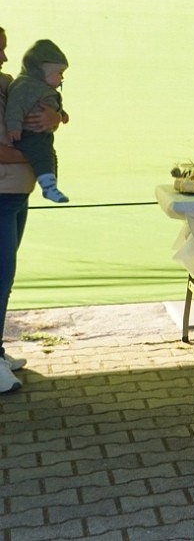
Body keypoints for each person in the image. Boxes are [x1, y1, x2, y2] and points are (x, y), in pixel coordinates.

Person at [0, 27, 59, 394]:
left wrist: (54, 118)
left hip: (15, 194)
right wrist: (38, 157)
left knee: (4, 281)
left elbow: (40, 105)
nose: (6, 57)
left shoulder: (7, 83)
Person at [3, 40, 70, 203]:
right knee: (43, 156)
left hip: (41, 138)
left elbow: (51, 107)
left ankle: (50, 185)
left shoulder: (43, 89)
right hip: (30, 135)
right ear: (41, 71)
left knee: (50, 157)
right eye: (59, 73)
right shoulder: (25, 86)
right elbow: (15, 107)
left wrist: (60, 116)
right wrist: (14, 127)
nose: (62, 78)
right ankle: (49, 187)